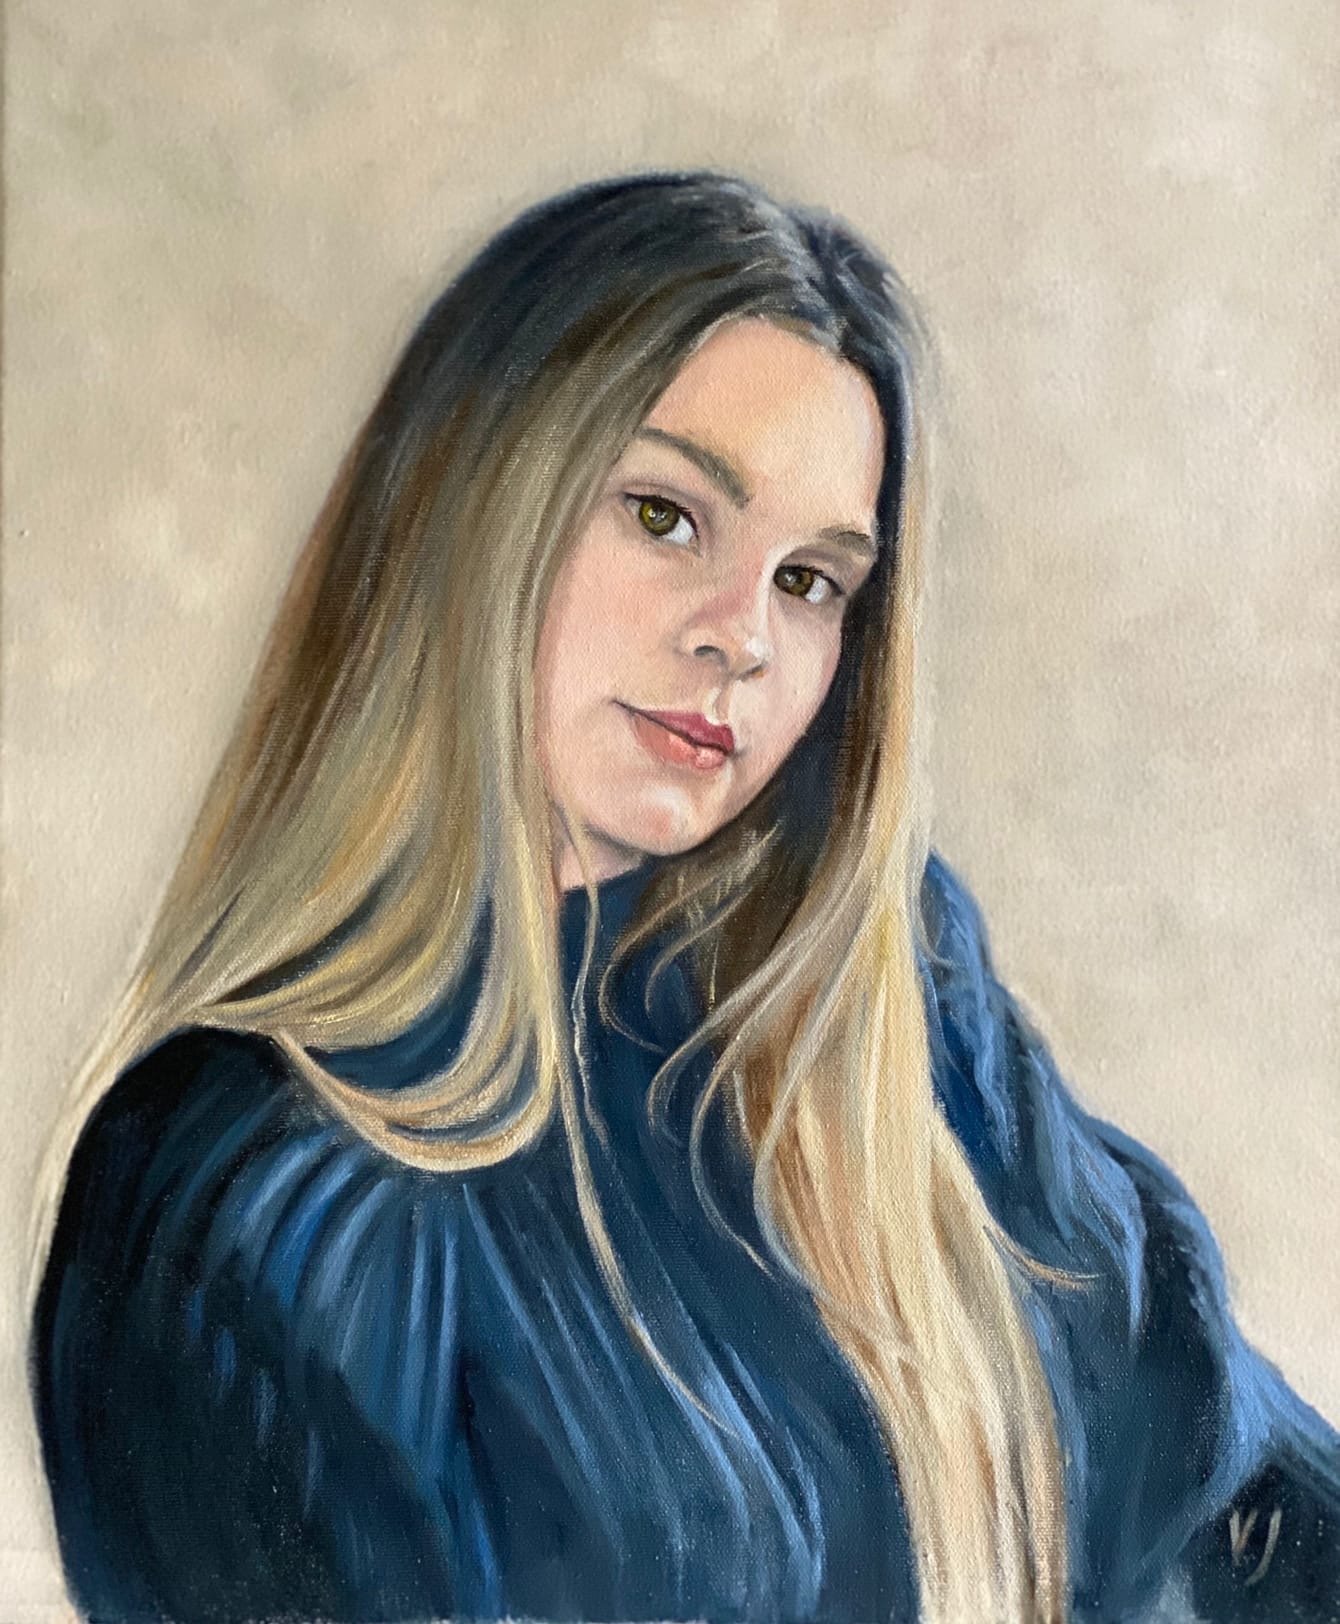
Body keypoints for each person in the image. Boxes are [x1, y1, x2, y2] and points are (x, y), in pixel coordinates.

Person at [26, 169, 1340, 1624]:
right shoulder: (249, 1185)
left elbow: (1236, 1490)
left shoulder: (889, 1008)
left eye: (812, 581)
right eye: (665, 515)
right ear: (474, 508)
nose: (744, 638)